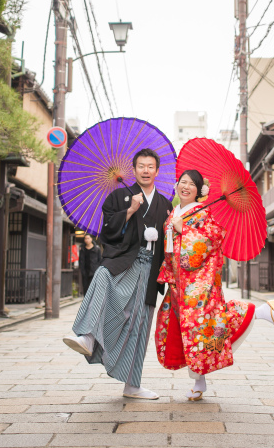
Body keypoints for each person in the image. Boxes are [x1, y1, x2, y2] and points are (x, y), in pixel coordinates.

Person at [155, 170, 274, 401]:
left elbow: (213, 238)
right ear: (177, 185)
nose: (186, 187)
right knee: (190, 332)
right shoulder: (174, 212)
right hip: (178, 283)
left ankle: (260, 311)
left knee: (205, 325)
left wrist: (184, 230)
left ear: (199, 191)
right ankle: (199, 382)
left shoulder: (203, 212)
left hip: (197, 283)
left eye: (191, 184)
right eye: (182, 182)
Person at [63, 148, 173, 400]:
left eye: (150, 166)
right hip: (124, 260)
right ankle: (88, 336)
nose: (146, 171)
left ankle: (132, 385)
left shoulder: (166, 205)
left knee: (139, 324)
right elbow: (107, 232)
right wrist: (130, 210)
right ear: (133, 170)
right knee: (102, 276)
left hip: (150, 268)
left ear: (157, 171)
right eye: (141, 166)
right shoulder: (118, 197)